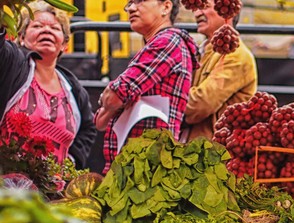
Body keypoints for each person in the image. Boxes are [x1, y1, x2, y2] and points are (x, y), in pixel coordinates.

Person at [95, 0, 199, 173]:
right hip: (140, 166)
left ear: (166, 7)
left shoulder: (167, 42)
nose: (131, 8)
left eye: (140, 1)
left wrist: (114, 99)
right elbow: (100, 121)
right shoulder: (157, 45)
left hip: (147, 169)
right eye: (130, 3)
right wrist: (115, 99)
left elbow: (112, 98)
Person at [0, 1, 96, 168]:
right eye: (37, 26)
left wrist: (71, 162)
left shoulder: (73, 88)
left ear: (64, 44)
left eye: (55, 28)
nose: (46, 30)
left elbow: (88, 128)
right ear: (21, 37)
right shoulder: (12, 64)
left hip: (54, 190)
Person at [181, 0, 257, 141]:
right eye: (197, 8)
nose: (197, 13)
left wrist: (170, 102)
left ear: (227, 10)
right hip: (195, 148)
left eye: (204, 6)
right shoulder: (202, 51)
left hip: (213, 153)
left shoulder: (235, 54)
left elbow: (200, 104)